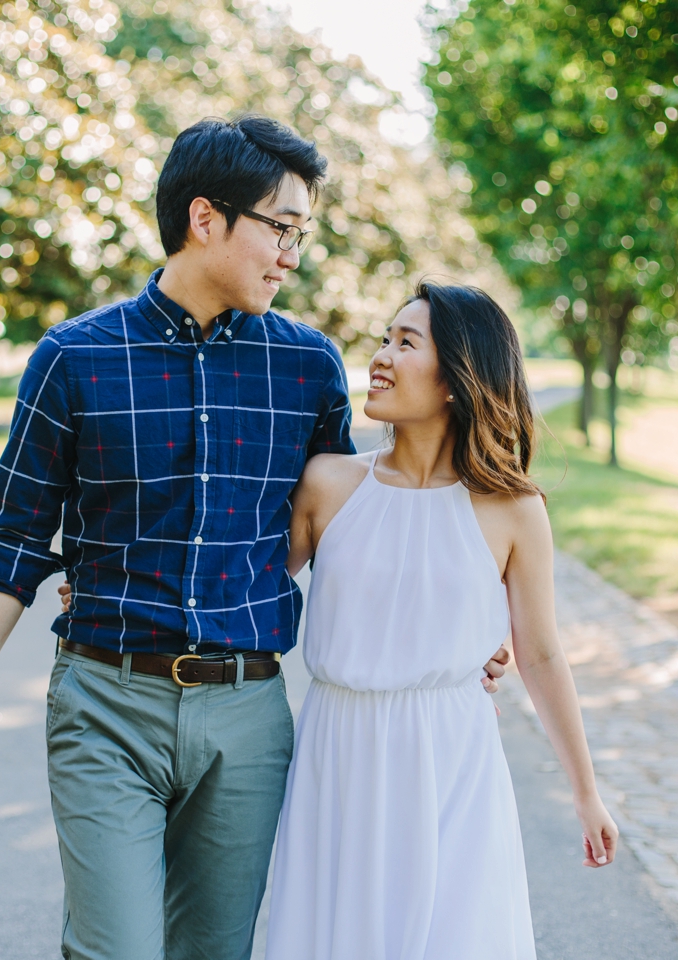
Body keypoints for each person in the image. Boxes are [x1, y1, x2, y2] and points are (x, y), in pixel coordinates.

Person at [0, 116, 514, 960]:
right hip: (104, 704)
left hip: (247, 717)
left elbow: (355, 530)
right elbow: (12, 537)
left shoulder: (306, 369)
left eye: (301, 234)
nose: (292, 256)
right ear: (206, 219)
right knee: (115, 949)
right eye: (280, 228)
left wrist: (469, 633)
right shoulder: (74, 359)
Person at [262, 281, 619, 960]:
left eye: (406, 342)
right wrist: (109, 586)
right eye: (384, 339)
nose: (381, 357)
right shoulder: (329, 485)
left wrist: (586, 794)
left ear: (458, 377)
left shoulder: (513, 510)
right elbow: (239, 591)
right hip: (339, 752)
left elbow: (541, 654)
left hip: (452, 755)